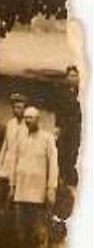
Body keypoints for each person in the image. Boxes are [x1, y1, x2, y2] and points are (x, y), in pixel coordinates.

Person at [7, 107, 58, 248]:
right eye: (26, 118)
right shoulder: (20, 138)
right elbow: (14, 162)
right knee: (22, 230)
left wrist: (51, 188)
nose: (28, 121)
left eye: (31, 117)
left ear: (38, 119)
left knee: (39, 231)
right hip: (21, 192)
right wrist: (12, 186)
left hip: (38, 194)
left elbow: (53, 165)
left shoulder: (47, 139)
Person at [0, 93, 28, 207]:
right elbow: (5, 145)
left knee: (13, 200)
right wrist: (0, 164)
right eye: (14, 107)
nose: (16, 110)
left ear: (25, 109)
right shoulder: (10, 124)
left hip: (20, 168)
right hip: (6, 166)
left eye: (19, 108)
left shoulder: (28, 127)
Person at [55, 65, 81, 198]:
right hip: (66, 127)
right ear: (66, 78)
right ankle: (63, 178)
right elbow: (59, 111)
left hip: (77, 128)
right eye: (70, 76)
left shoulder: (83, 92)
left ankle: (72, 176)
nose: (73, 78)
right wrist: (58, 127)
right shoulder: (62, 93)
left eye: (75, 76)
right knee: (64, 151)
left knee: (75, 151)